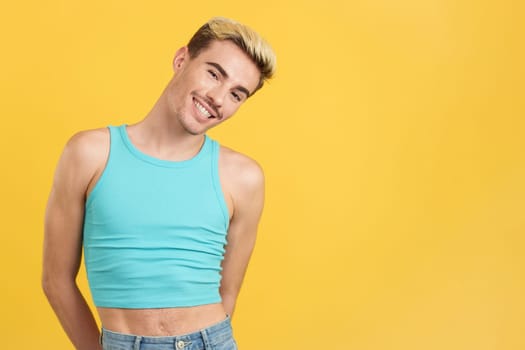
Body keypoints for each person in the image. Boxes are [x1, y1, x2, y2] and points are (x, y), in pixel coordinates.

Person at [42, 17, 276, 350]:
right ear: (182, 59)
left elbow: (228, 293)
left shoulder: (244, 177)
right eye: (214, 74)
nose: (219, 98)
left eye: (237, 94)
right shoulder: (90, 153)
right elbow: (55, 281)